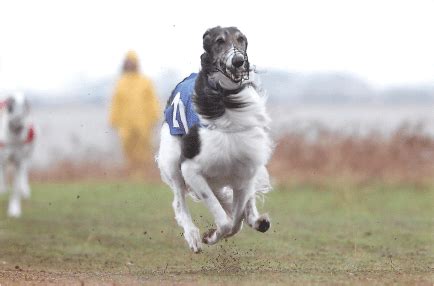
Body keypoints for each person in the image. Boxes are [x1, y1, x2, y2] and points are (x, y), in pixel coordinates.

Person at [109, 51, 160, 168]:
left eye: (132, 62)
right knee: (127, 148)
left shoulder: (145, 81)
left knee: (144, 148)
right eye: (128, 62)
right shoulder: (120, 83)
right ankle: (131, 172)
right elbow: (116, 103)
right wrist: (113, 120)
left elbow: (152, 101)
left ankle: (144, 171)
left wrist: (155, 117)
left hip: (143, 123)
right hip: (125, 124)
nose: (130, 64)